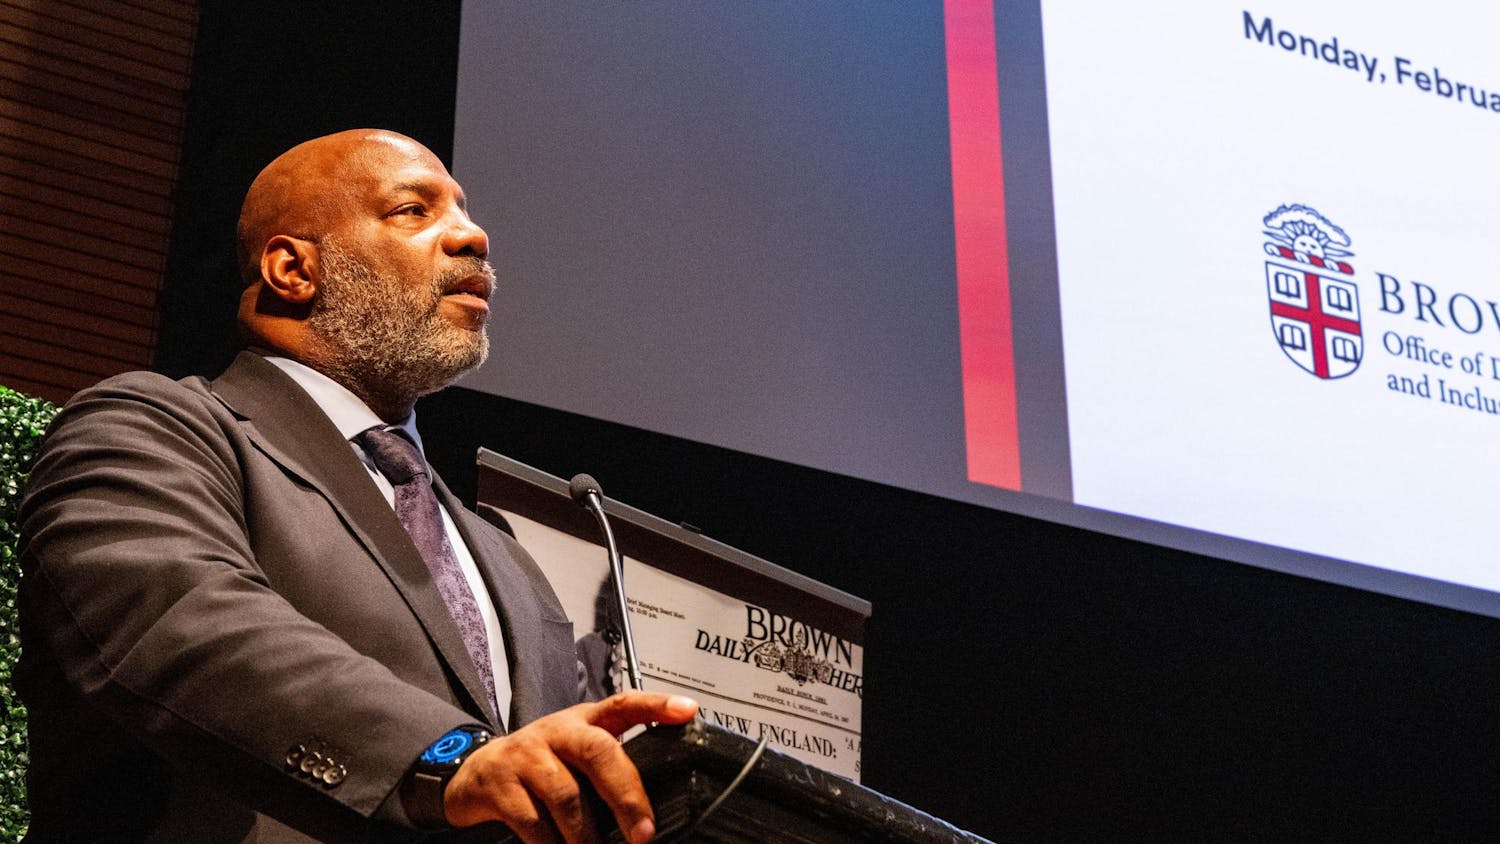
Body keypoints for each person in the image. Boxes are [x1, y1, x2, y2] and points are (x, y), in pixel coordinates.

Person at [16, 129, 697, 843]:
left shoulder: (502, 557)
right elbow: (182, 623)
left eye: (464, 211)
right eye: (413, 210)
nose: (474, 236)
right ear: (293, 269)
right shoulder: (154, 429)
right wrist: (445, 759)